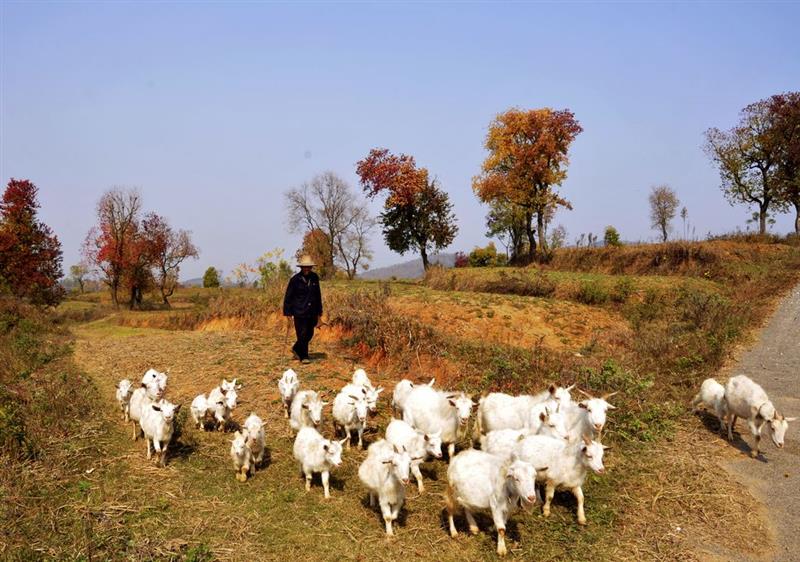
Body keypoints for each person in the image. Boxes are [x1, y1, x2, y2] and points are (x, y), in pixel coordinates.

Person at [283, 255, 323, 364]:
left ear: (311, 267)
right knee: (302, 334)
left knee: (309, 333)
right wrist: (288, 314)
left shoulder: (315, 277)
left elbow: (318, 295)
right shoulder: (295, 280)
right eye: (305, 267)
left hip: (312, 312)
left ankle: (296, 348)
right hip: (299, 312)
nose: (307, 269)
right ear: (301, 267)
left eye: (309, 267)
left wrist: (319, 313)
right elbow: (288, 297)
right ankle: (304, 356)